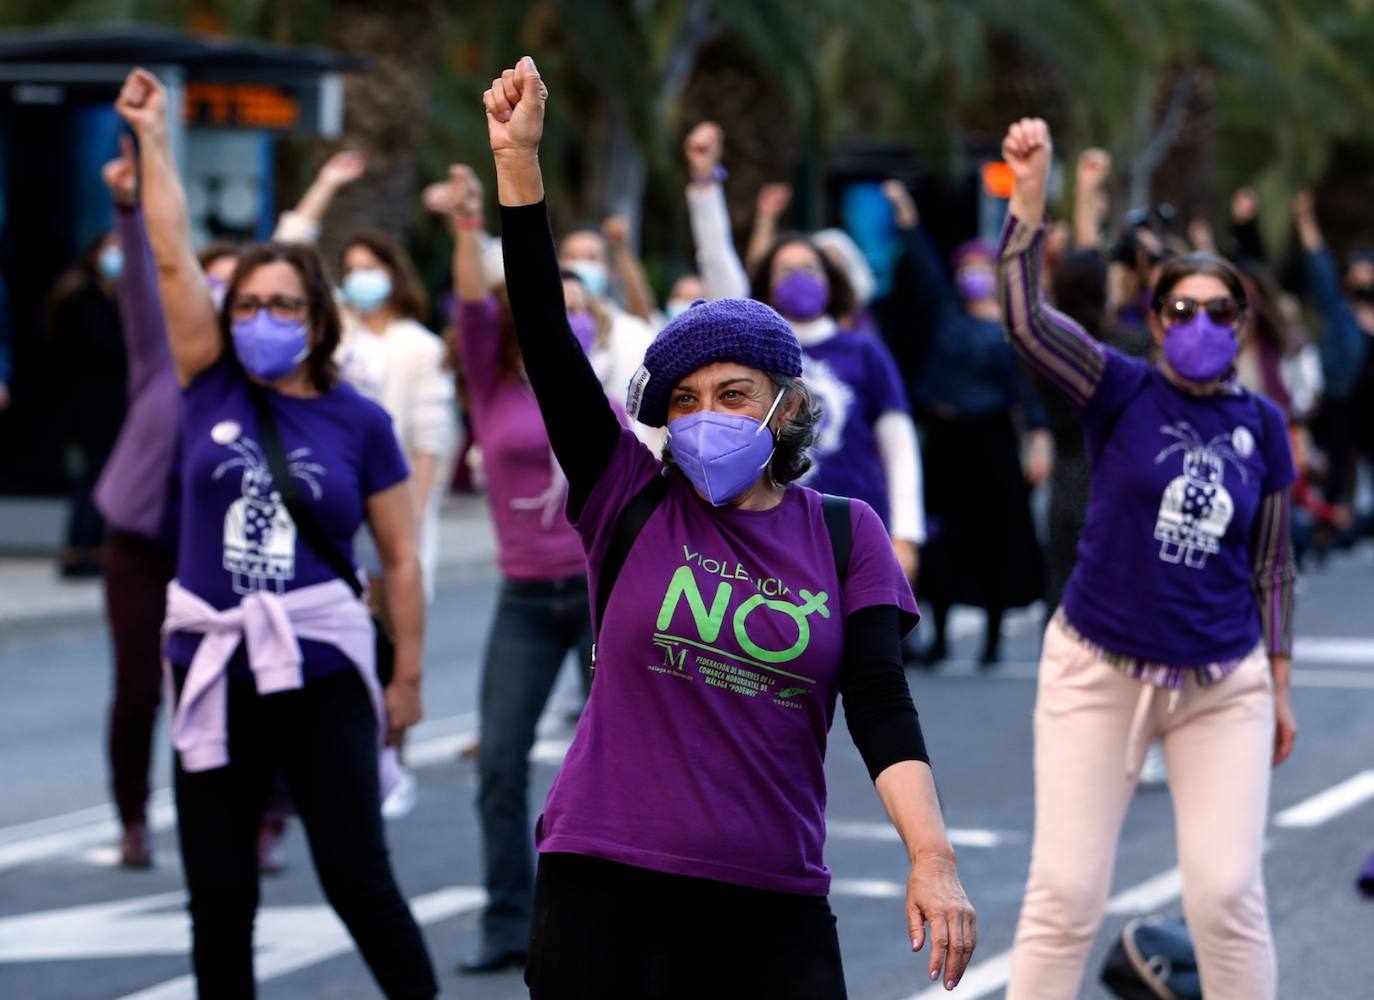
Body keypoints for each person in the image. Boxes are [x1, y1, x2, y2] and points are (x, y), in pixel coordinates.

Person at [483, 56, 974, 998]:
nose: (706, 412)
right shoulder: (625, 495)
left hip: (769, 901)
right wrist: (519, 171)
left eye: (733, 393)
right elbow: (546, 335)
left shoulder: (845, 532)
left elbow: (878, 704)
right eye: (687, 399)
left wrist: (933, 857)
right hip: (602, 882)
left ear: (786, 409)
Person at [117, 67, 436, 999]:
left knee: (359, 883)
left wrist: (406, 680)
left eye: (283, 305)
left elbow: (404, 559)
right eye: (248, 304)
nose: (262, 319)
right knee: (218, 899)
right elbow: (173, 256)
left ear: (316, 316)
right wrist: (154, 136)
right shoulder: (207, 382)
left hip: (325, 677)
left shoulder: (358, 419)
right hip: (212, 670)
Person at [998, 118, 1297, 1000]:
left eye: (1218, 311)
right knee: (1064, 896)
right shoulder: (1117, 388)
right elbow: (1023, 320)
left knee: (1228, 896)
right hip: (1098, 667)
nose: (1198, 324)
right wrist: (1030, 195)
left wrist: (1278, 685)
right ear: (1155, 322)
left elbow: (1273, 565)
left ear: (1242, 324)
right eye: (1179, 310)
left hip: (1222, 683)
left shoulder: (1264, 427)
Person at [441, 162, 619, 974]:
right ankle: (507, 920)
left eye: (585, 314)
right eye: (560, 311)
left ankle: (613, 923)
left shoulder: (612, 394)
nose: (571, 323)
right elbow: (476, 302)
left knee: (615, 765)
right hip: (522, 601)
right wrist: (467, 226)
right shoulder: (493, 380)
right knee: (501, 764)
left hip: (597, 598)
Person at [893, 183, 1049, 665]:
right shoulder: (946, 315)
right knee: (941, 538)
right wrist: (907, 218)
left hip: (992, 442)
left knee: (995, 538)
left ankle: (994, 638)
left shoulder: (1013, 329)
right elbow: (924, 269)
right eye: (966, 270)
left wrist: (1039, 441)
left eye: (980, 269)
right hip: (943, 440)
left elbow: (1029, 391)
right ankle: (936, 635)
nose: (971, 277)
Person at [90, 135, 181, 869]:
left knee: (220, 693)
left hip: (213, 555)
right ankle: (131, 818)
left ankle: (255, 816)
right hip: (138, 547)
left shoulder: (245, 377)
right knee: (138, 690)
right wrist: (129, 202)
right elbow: (147, 285)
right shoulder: (160, 356)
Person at [336, 230, 459, 603]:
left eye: (369, 268)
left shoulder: (421, 346)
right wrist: (328, 184)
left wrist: (414, 517)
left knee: (393, 617)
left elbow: (430, 440)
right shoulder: (336, 335)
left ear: (393, 273)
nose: (360, 277)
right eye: (351, 270)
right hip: (340, 493)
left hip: (391, 496)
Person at [46, 229, 128, 578]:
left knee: (101, 477)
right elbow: (94, 346)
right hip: (91, 406)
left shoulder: (119, 297)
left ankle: (91, 547)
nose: (116, 256)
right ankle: (79, 549)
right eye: (111, 248)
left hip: (111, 404)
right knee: (93, 478)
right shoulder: (82, 297)